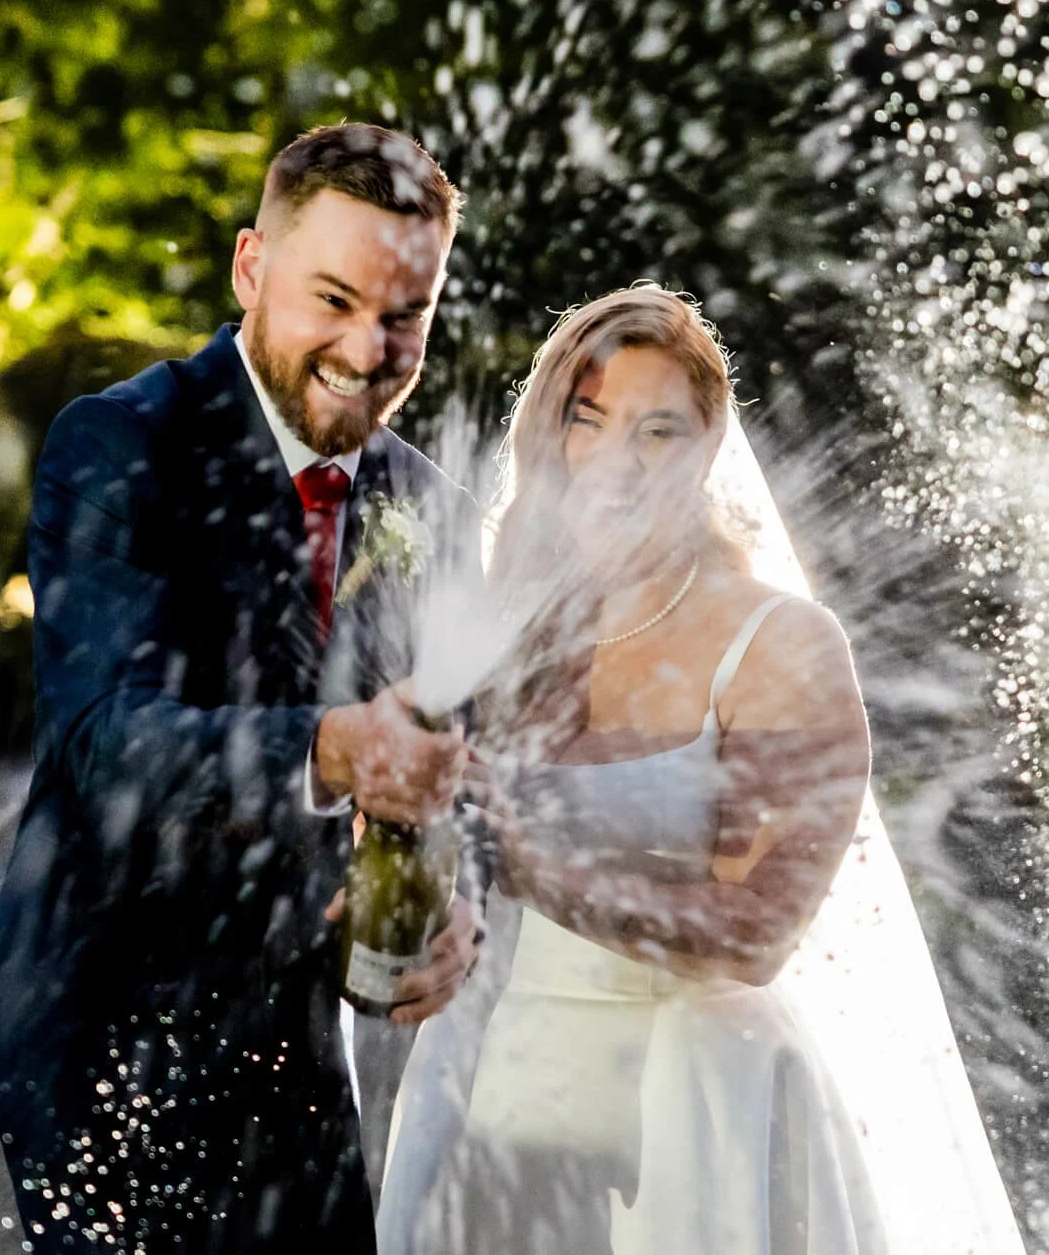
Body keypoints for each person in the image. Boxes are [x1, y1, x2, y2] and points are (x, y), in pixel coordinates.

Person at [0, 123, 485, 1254]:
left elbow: (460, 758)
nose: (366, 346)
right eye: (332, 299)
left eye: (405, 316)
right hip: (108, 1047)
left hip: (295, 1058)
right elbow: (104, 740)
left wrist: (456, 898)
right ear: (251, 267)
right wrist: (333, 748)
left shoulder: (429, 503)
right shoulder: (119, 446)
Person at [377, 283, 976, 1254]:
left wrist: (524, 860)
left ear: (704, 451)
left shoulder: (779, 644)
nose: (615, 463)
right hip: (479, 1095)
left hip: (692, 1109)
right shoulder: (500, 634)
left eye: (657, 431)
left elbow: (757, 934)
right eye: (589, 419)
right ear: (551, 437)